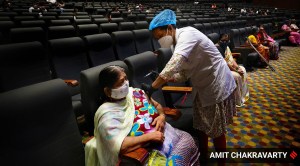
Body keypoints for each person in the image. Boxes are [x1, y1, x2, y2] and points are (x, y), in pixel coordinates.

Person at [147, 9, 237, 165]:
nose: (160, 41)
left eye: (160, 36)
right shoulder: (174, 46)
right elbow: (183, 74)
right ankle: (203, 157)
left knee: (216, 130)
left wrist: (153, 86)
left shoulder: (188, 35)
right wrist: (169, 78)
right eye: (157, 39)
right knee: (201, 125)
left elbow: (175, 63)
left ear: (169, 28)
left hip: (216, 84)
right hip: (202, 86)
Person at [85, 66, 199, 166]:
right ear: (108, 91)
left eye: (126, 78)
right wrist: (149, 137)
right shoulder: (106, 114)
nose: (126, 83)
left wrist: (162, 116)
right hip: (146, 152)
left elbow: (157, 105)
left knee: (189, 139)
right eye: (121, 82)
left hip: (168, 136)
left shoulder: (136, 92)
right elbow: (119, 145)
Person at [219, 34, 249, 107]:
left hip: (231, 67)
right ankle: (236, 99)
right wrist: (236, 70)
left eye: (226, 41)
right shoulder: (217, 48)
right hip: (223, 69)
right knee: (237, 76)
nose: (225, 42)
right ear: (219, 40)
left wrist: (237, 67)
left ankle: (242, 95)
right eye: (223, 40)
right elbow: (225, 63)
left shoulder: (227, 47)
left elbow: (231, 60)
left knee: (243, 69)